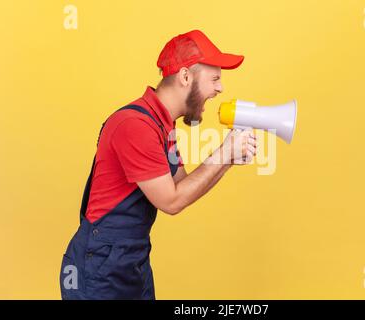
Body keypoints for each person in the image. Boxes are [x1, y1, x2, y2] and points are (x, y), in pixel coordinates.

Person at [59, 29, 257, 300]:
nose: (220, 89)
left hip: (131, 262)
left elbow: (181, 184)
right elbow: (171, 202)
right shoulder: (135, 125)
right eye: (215, 79)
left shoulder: (164, 125)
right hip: (99, 268)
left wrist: (229, 160)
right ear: (186, 77)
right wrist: (223, 154)